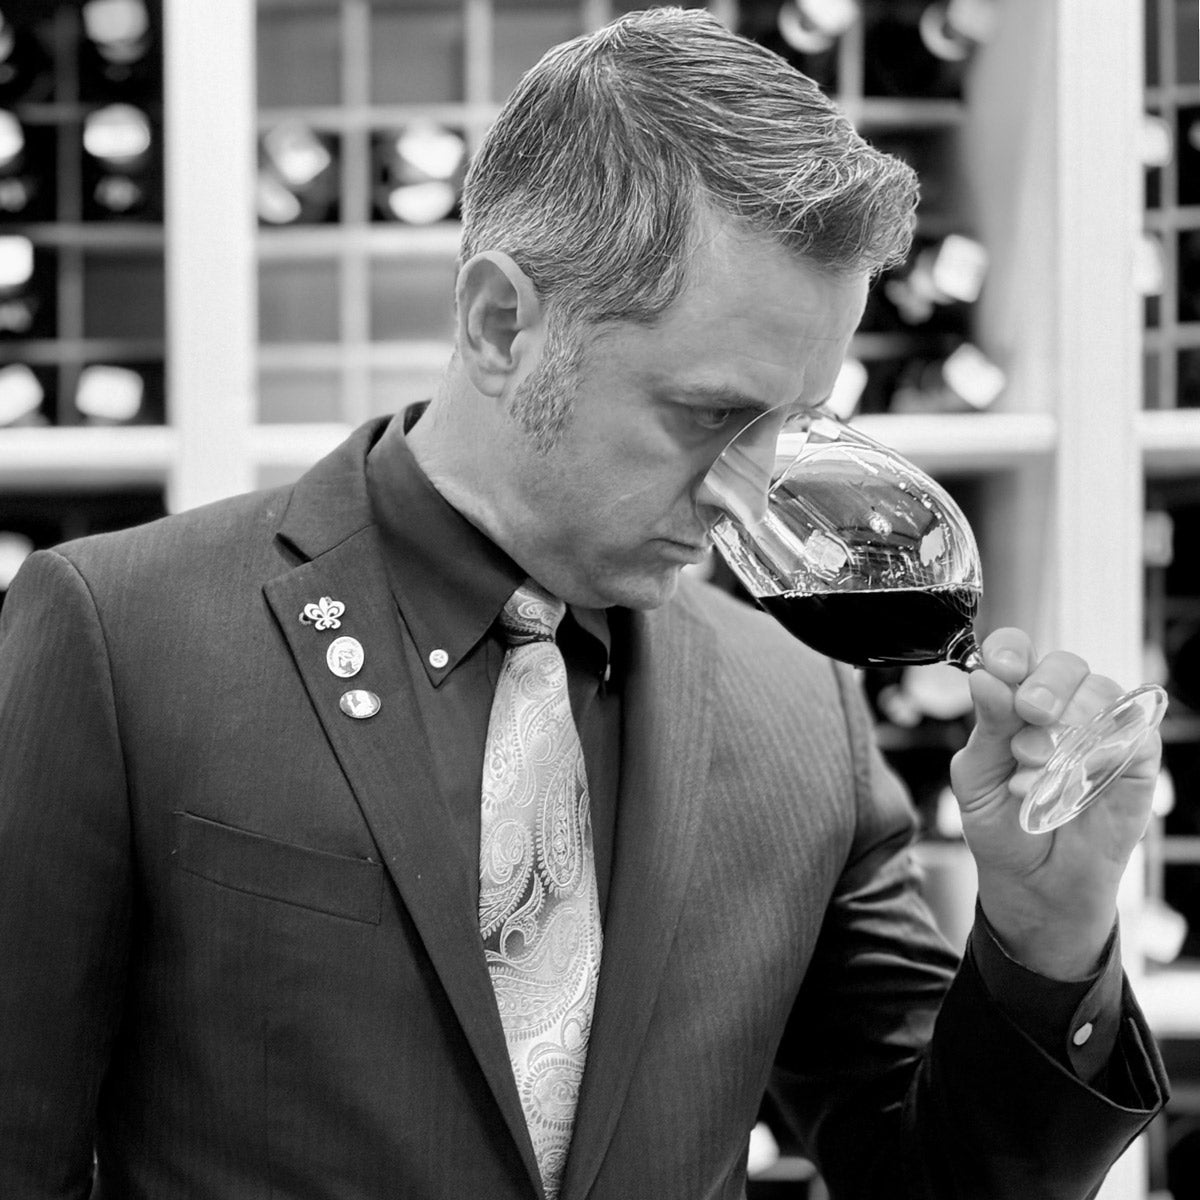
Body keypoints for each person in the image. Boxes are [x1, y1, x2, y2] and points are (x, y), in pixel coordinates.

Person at [0, 8, 1167, 1200]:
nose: (746, 492)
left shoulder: (800, 710)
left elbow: (937, 1183)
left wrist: (1045, 933)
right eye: (711, 415)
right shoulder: (119, 635)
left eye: (796, 424)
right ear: (502, 323)